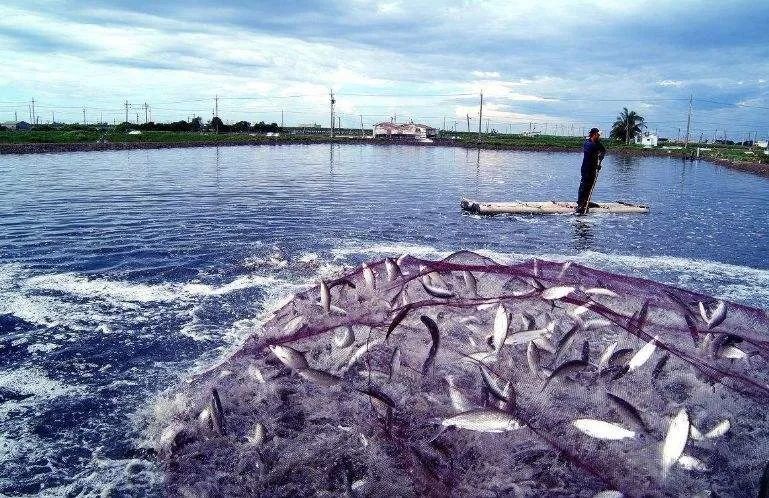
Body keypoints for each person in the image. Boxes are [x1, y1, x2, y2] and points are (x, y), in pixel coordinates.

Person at [575, 127, 606, 215]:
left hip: (593, 168)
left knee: (590, 185)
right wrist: (597, 164)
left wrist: (601, 158)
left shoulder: (597, 143)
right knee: (584, 185)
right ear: (594, 134)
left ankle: (587, 201)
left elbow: (603, 150)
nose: (599, 136)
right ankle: (580, 203)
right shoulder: (588, 144)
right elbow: (591, 156)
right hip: (586, 168)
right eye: (598, 135)